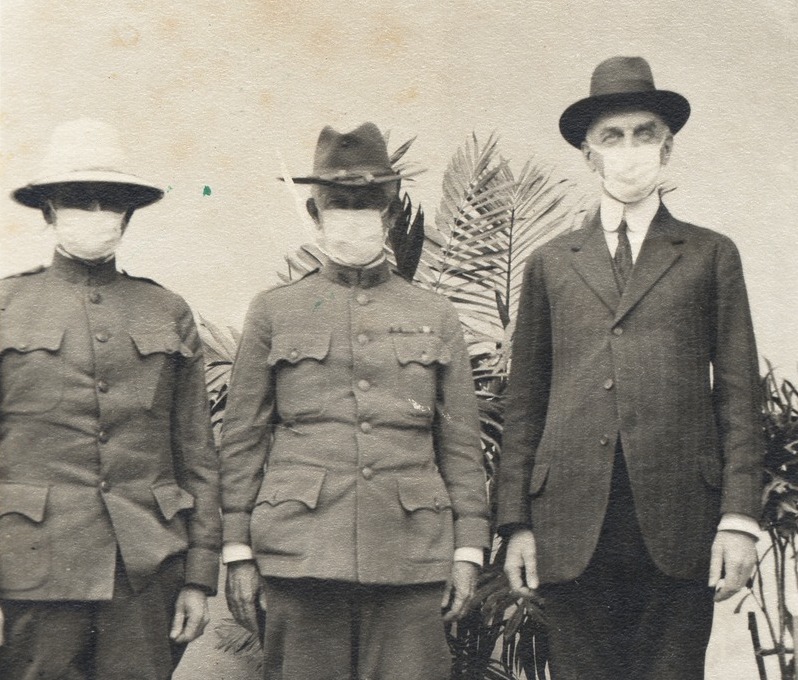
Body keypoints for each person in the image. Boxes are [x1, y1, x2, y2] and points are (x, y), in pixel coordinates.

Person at [497, 57, 764, 680]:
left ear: (667, 147)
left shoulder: (708, 254)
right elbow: (525, 401)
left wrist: (739, 519)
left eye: (645, 134)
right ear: (588, 154)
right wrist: (516, 524)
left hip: (680, 525)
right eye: (611, 137)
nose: (629, 149)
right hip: (570, 524)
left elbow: (737, 394)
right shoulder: (550, 263)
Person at [219, 123, 490, 680]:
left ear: (389, 213)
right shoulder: (275, 311)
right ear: (315, 214)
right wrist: (238, 552)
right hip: (300, 553)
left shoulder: (434, 314)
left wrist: (467, 552)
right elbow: (243, 441)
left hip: (412, 554)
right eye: (338, 203)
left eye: (367, 202)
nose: (353, 214)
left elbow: (460, 445)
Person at [0, 118, 221, 680]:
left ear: (127, 214)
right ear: (49, 210)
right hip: (32, 566)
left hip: (145, 567)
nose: (94, 213)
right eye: (78, 200)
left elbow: (196, 453)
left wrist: (198, 575)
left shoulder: (165, 310)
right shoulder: (8, 306)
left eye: (108, 201)